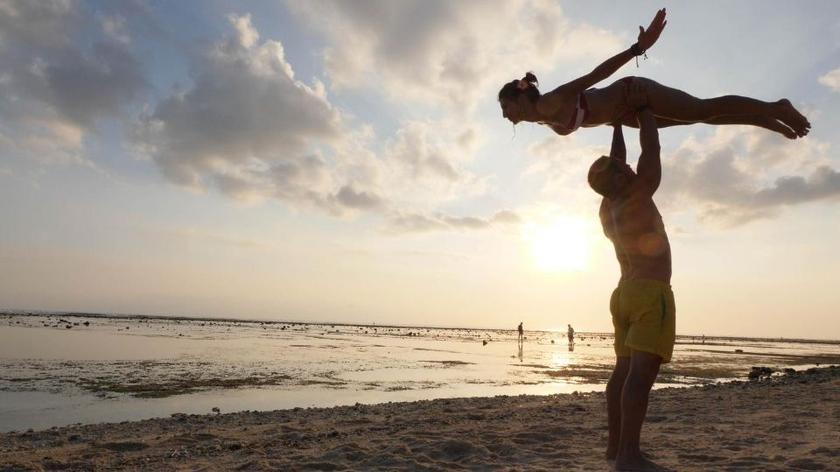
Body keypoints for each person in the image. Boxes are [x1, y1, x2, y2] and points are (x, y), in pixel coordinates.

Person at [498, 8, 810, 140]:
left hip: (633, 93)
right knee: (699, 117)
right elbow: (596, 116)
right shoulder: (542, 119)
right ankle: (764, 119)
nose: (505, 114)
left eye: (504, 106)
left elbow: (596, 75)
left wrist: (637, 49)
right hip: (626, 114)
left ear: (520, 95)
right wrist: (617, 120)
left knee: (703, 108)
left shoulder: (552, 101)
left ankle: (777, 108)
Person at [589, 81, 674, 471]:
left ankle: (613, 448)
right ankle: (628, 455)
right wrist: (642, 111)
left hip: (622, 294)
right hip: (647, 293)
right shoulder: (638, 193)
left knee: (621, 373)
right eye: (622, 169)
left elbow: (616, 161)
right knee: (640, 376)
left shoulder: (608, 207)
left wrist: (617, 125)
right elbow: (651, 152)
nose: (626, 166)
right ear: (620, 178)